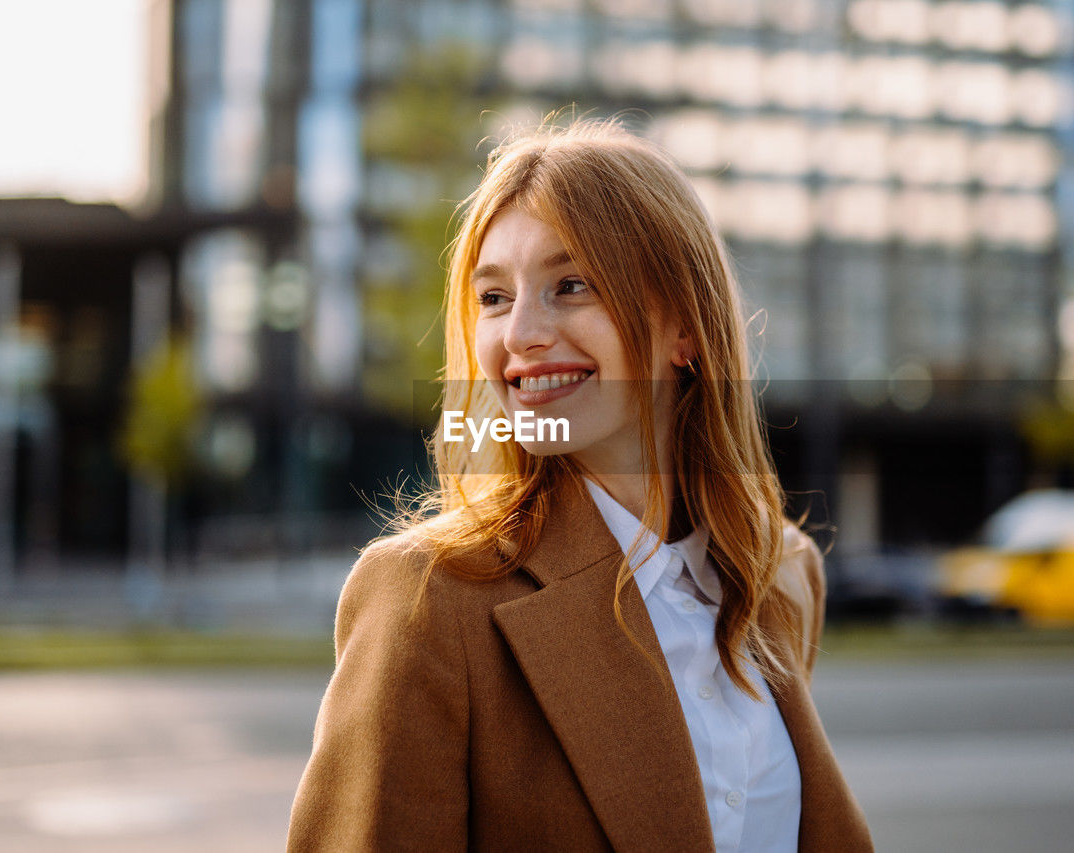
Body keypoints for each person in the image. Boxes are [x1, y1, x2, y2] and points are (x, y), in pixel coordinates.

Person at [287, 119, 873, 852]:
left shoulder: (779, 574)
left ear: (683, 328)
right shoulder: (428, 598)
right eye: (493, 297)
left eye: (570, 285)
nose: (521, 332)